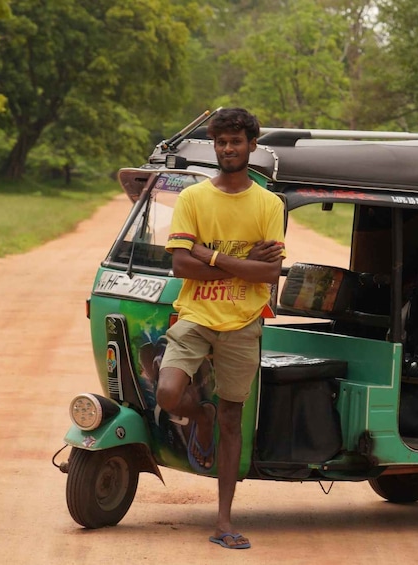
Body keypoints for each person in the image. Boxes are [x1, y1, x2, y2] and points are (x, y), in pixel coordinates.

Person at [155, 108, 285, 550]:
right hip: (194, 314)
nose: (228, 149)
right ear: (215, 146)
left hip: (244, 321)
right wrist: (241, 263)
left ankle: (224, 520)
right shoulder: (193, 199)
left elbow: (269, 275)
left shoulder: (269, 204)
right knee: (168, 392)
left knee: (233, 419)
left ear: (252, 145)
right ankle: (199, 414)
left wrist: (210, 256)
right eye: (221, 142)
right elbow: (179, 264)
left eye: (236, 141)